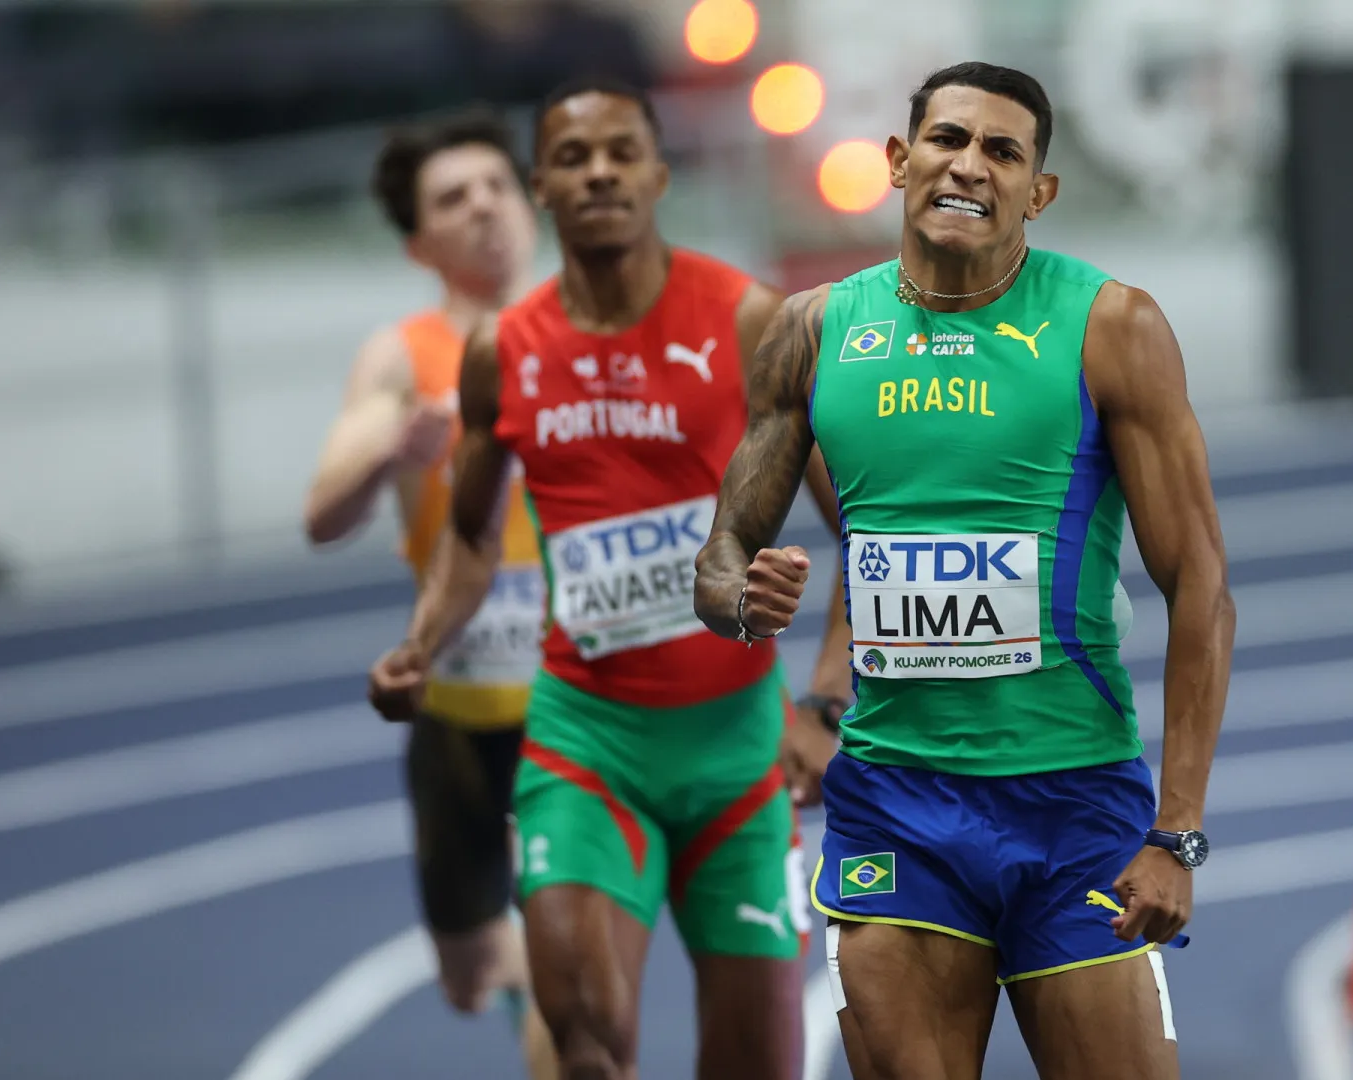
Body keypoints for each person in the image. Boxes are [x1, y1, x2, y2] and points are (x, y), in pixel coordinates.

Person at [695, 61, 1237, 1079]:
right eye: (948, 140)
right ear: (898, 162)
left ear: (1040, 193)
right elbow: (723, 559)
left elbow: (1199, 584)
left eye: (1003, 151)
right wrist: (740, 605)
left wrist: (1179, 830)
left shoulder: (1111, 327)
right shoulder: (812, 334)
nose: (969, 166)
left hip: (1074, 805)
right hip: (897, 802)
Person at [366, 77, 853, 1080]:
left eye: (621, 154)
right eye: (573, 159)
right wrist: (423, 640)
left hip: (737, 756)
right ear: (542, 184)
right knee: (585, 1040)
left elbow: (863, 522)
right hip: (587, 748)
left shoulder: (749, 317)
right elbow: (466, 534)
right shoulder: (502, 351)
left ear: (659, 174)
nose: (598, 175)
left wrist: (826, 707)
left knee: (761, 1062)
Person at [302, 106, 558, 1077]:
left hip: (573, 705)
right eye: (455, 198)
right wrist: (390, 454)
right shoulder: (401, 357)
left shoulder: (583, 325)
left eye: (497, 184)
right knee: (472, 971)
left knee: (561, 952)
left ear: (530, 200)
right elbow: (323, 517)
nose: (484, 208)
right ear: (420, 242)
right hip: (457, 708)